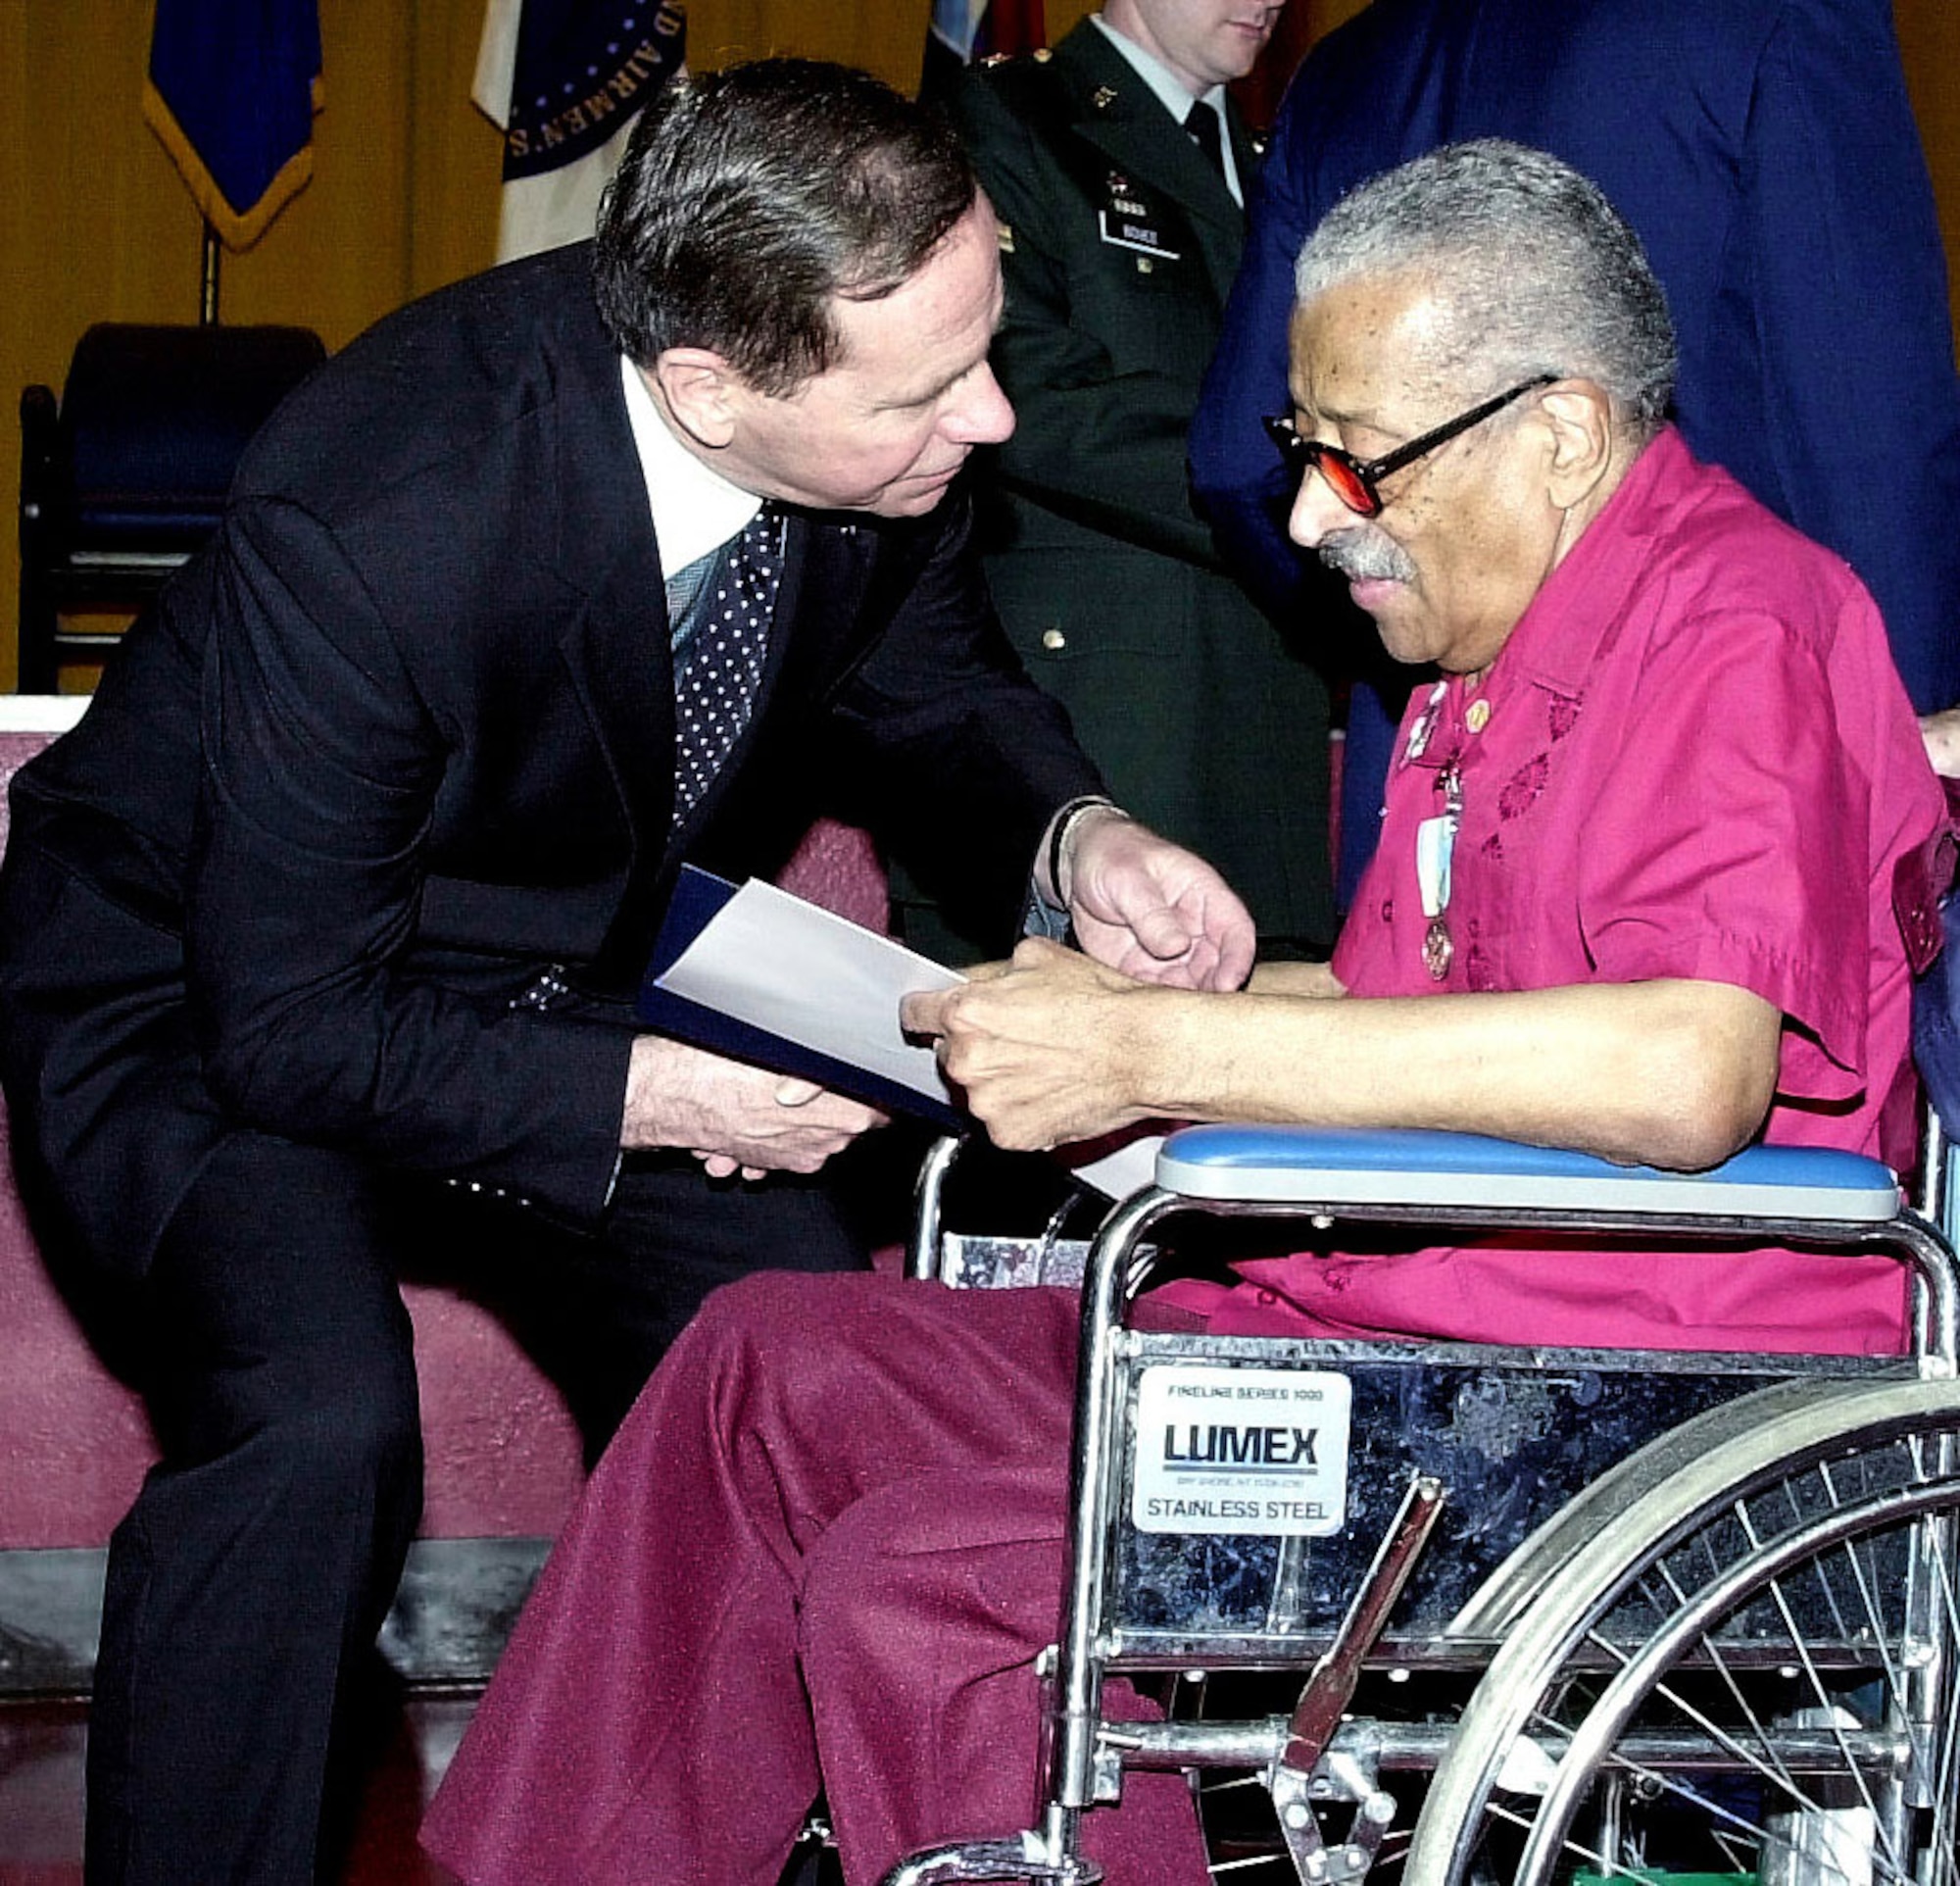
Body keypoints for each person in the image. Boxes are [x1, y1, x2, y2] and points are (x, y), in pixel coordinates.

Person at [421, 142, 1949, 1886]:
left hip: (1600, 1399)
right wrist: (1078, 1008)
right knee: (763, 1362)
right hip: (1376, 1332)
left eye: (1356, 457)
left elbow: (1688, 1065)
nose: (1309, 518)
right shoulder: (1488, 654)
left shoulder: (1737, 624)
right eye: (1307, 449)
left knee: (941, 1589)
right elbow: (1413, 1012)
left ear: (1563, 436)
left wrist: (1169, 1054)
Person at [0, 59, 1255, 1886]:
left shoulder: (862, 427)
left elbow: (934, 680)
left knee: (793, 1339)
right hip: (199, 979)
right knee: (310, 1413)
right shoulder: (376, 511)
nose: (988, 419)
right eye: (925, 388)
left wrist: (1082, 836)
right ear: (708, 388)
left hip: (527, 968)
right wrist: (665, 1090)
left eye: (982, 351)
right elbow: (293, 1022)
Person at [1189, 0, 1960, 904]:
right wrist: (1903, 767)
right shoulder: (1773, 16)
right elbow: (1872, 439)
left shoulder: (1346, 66)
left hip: (1431, 778)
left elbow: (1239, 461)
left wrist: (1405, 611)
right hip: (1717, 765)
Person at [895, 0, 1334, 963]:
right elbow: (1023, 389)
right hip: (1101, 746)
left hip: (1265, 749)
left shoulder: (1281, 162)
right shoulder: (1002, 118)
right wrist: (1315, 483)